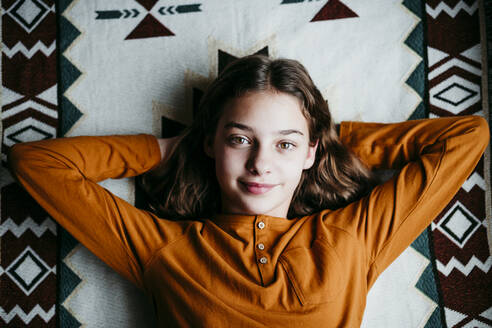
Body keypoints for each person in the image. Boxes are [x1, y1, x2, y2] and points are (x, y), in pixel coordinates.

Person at [7, 54, 490, 327]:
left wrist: (339, 143)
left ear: (309, 153)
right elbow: (37, 163)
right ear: (211, 145)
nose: (260, 163)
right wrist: (166, 148)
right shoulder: (164, 249)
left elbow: (467, 136)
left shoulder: (353, 238)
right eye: (240, 139)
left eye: (284, 144)